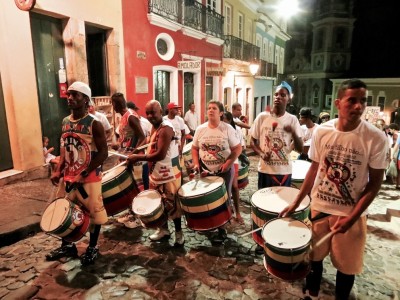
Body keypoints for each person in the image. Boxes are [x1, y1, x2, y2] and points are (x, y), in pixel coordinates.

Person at [280, 79, 389, 300]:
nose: (359, 106)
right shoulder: (323, 132)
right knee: (314, 259)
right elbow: (314, 169)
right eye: (352, 101)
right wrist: (297, 201)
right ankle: (311, 294)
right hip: (320, 209)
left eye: (363, 101)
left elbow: (375, 182)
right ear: (338, 103)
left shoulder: (376, 138)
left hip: (351, 215)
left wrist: (353, 216)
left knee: (346, 269)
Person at [47, 81, 109, 265]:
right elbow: (65, 149)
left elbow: (103, 153)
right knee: (66, 211)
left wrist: (84, 173)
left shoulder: (94, 124)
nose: (71, 98)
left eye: (76, 95)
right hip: (69, 177)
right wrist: (59, 171)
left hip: (89, 178)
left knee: (94, 214)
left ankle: (93, 247)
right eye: (70, 94)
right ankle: (68, 245)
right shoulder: (66, 122)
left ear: (86, 100)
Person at [126, 100, 185, 245]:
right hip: (156, 173)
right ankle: (163, 230)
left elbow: (160, 154)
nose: (150, 116)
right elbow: (149, 141)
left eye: (153, 112)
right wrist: (136, 151)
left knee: (173, 205)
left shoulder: (166, 128)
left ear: (161, 112)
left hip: (169, 173)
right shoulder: (155, 126)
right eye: (148, 113)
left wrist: (138, 157)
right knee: (158, 203)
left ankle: (179, 233)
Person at [192, 100, 242, 240]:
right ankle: (209, 224)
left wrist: (227, 163)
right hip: (205, 170)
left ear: (221, 113)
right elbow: (195, 148)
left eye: (214, 108)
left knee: (222, 199)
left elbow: (238, 148)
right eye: (208, 108)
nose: (210, 110)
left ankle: (222, 227)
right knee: (207, 198)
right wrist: (196, 164)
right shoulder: (200, 129)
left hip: (224, 171)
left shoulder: (227, 129)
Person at [250, 81, 303, 189]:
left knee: (281, 204)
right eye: (276, 94)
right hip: (265, 170)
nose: (278, 97)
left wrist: (293, 132)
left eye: (283, 95)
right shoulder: (262, 117)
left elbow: (300, 148)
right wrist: (261, 154)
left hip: (284, 171)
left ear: (289, 99)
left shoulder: (292, 119)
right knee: (264, 202)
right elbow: (252, 141)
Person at [111, 93, 146, 228]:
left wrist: (133, 154)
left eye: (112, 103)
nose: (113, 106)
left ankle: (138, 217)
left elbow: (143, 138)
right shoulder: (124, 117)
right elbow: (127, 138)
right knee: (128, 187)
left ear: (116, 104)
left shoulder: (131, 116)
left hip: (134, 159)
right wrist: (118, 146)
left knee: (136, 187)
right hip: (125, 158)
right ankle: (131, 213)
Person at [223, 111, 245, 224]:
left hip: (233, 160)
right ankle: (225, 213)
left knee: (234, 186)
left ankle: (238, 212)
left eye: (224, 120)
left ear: (229, 120)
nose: (222, 122)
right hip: (219, 162)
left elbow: (241, 147)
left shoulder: (236, 130)